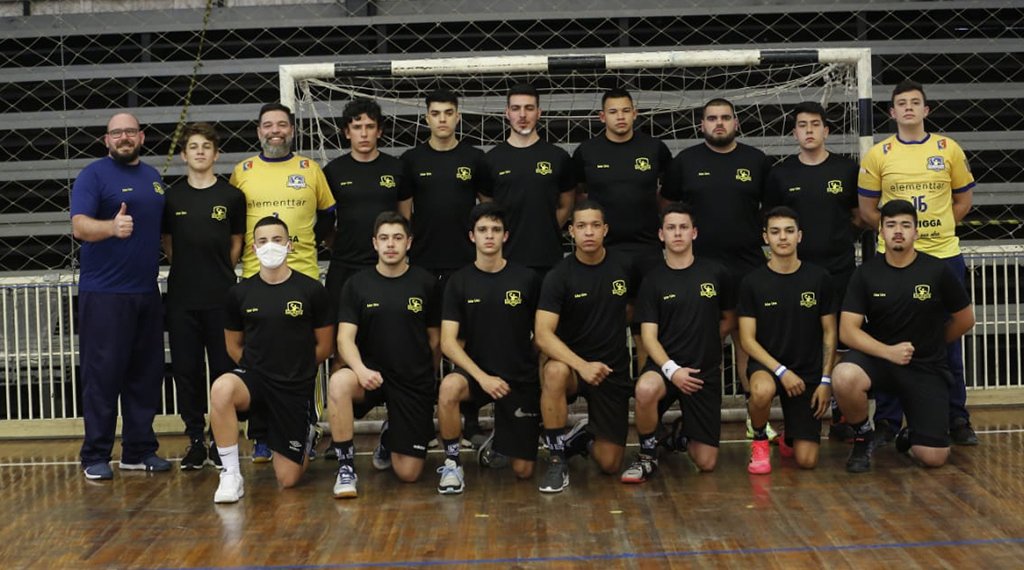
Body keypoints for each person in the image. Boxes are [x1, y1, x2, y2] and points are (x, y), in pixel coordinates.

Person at [858, 80, 979, 446]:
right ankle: (889, 420)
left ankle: (956, 417)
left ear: (926, 110)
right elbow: (867, 210)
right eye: (901, 103)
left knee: (948, 342)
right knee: (889, 338)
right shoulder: (879, 153)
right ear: (892, 112)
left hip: (942, 256)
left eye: (915, 102)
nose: (908, 108)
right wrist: (899, 237)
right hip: (893, 261)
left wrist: (932, 231)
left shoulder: (949, 149)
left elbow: (963, 201)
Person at [833, 199, 975, 473]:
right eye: (891, 225)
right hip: (879, 361)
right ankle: (862, 437)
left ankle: (912, 435)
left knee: (934, 458)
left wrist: (932, 343)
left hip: (925, 365)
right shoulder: (865, 274)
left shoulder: (937, 270)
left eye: (905, 225)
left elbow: (965, 319)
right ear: (881, 232)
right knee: (844, 376)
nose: (898, 231)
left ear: (916, 232)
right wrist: (888, 352)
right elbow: (847, 331)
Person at [662, 98, 774, 441]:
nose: (719, 123)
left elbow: (769, 211)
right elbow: (669, 207)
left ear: (736, 123)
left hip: (747, 266)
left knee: (747, 344)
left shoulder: (756, 161)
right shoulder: (686, 161)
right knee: (705, 344)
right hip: (700, 270)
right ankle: (691, 420)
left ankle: (756, 421)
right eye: (712, 118)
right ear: (701, 125)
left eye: (725, 118)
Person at [229, 103, 335, 461]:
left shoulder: (310, 169)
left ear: (292, 129)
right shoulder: (242, 171)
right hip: (257, 278)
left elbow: (328, 215)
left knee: (303, 359)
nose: (275, 131)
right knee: (261, 359)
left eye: (282, 125)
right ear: (258, 131)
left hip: (302, 274)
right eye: (268, 125)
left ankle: (305, 425)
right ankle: (263, 433)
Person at [70, 112, 171, 480]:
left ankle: (138, 450)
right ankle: (95, 454)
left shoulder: (153, 178)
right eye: (117, 133)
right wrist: (111, 226)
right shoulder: (92, 175)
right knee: (103, 376)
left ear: (142, 137)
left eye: (130, 131)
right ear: (106, 140)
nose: (124, 137)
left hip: (146, 292)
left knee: (145, 375)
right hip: (106, 295)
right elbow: (80, 225)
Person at [209, 216, 334, 503]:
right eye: (263, 241)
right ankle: (230, 474)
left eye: (277, 240)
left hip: (293, 386)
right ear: (253, 248)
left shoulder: (312, 290)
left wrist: (294, 369)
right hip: (256, 382)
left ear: (290, 246)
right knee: (222, 388)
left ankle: (306, 435)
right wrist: (259, 368)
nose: (270, 246)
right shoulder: (239, 293)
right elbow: (233, 346)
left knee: (287, 480)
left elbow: (324, 347)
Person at [764, 101, 860, 441]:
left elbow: (859, 215)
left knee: (843, 337)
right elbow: (774, 220)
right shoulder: (781, 173)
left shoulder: (847, 169)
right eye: (802, 125)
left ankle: (842, 412)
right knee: (807, 338)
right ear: (794, 133)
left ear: (826, 130)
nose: (808, 130)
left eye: (815, 124)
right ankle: (802, 409)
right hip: (798, 273)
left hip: (840, 269)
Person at [326, 212, 441, 499]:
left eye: (398, 238)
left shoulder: (426, 283)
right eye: (385, 238)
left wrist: (425, 380)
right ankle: (346, 467)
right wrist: (360, 370)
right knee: (339, 382)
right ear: (375, 243)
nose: (391, 244)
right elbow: (344, 339)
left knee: (409, 474)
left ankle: (392, 436)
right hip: (369, 377)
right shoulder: (356, 284)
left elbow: (435, 340)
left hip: (411, 382)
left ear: (409, 243)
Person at [434, 203, 543, 494]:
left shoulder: (527, 279)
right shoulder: (458, 282)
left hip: (518, 378)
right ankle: (453, 463)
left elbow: (542, 333)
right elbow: (447, 342)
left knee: (523, 472)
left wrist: (526, 363)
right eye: (483, 230)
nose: (489, 236)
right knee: (448, 387)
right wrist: (482, 377)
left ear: (506, 236)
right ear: (472, 236)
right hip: (477, 377)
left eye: (496, 230)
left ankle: (501, 438)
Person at [623, 202, 735, 483]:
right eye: (671, 228)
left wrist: (707, 343)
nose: (677, 234)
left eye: (683, 227)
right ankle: (648, 455)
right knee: (645, 389)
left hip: (702, 374)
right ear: (661, 235)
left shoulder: (716, 273)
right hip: (666, 368)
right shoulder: (653, 280)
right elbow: (648, 337)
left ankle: (677, 435)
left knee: (706, 463)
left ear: (694, 233)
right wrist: (673, 370)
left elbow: (729, 319)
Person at [401, 89, 489, 446]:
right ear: (426, 119)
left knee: (465, 343)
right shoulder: (410, 160)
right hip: (423, 266)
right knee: (427, 345)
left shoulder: (475, 159)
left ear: (457, 117)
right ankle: (424, 422)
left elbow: (487, 212)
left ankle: (467, 421)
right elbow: (404, 216)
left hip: (464, 267)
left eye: (448, 113)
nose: (442, 119)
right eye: (435, 113)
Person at [162, 122, 245, 470]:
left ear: (216, 153)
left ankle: (222, 440)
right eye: (193, 146)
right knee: (187, 370)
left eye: (206, 146)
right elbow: (167, 244)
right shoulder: (171, 197)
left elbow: (236, 244)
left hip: (222, 297)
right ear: (183, 155)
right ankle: (196, 438)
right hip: (183, 298)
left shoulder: (231, 196)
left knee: (224, 371)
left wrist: (217, 272)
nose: (199, 152)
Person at [534, 200, 632, 493]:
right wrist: (582, 365)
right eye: (581, 226)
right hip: (575, 369)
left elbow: (634, 311)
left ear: (605, 230)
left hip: (611, 370)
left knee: (610, 464)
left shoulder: (625, 267)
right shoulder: (558, 276)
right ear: (571, 232)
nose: (588, 232)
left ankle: (579, 439)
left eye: (595, 225)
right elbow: (542, 335)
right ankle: (556, 459)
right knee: (554, 372)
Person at [573, 87, 673, 371]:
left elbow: (666, 197)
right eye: (613, 112)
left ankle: (645, 385)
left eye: (626, 111)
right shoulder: (586, 152)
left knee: (647, 323)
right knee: (608, 320)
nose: (620, 117)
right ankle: (611, 388)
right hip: (606, 252)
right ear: (602, 116)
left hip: (647, 250)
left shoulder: (654, 149)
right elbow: (579, 199)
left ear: (635, 113)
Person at [738, 207, 837, 474]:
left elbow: (829, 332)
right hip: (768, 367)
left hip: (806, 373)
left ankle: (788, 436)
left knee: (806, 461)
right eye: (775, 232)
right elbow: (747, 340)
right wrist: (782, 371)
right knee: (761, 391)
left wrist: (826, 380)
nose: (783, 237)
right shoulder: (752, 282)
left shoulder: (819, 278)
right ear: (765, 237)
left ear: (800, 236)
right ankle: (759, 439)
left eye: (789, 231)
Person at [323, 98, 411, 313]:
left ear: (379, 132)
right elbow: (326, 222)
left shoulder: (397, 168)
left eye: (370, 127)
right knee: (342, 332)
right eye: (357, 127)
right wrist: (343, 245)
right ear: (346, 132)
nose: (364, 134)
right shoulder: (333, 171)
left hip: (386, 265)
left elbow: (405, 218)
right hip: (344, 265)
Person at [480, 83, 576, 275]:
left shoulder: (558, 157)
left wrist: (545, 227)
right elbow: (488, 204)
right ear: (507, 113)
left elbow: (566, 204)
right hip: (505, 260)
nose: (522, 115)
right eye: (516, 108)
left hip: (548, 258)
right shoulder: (490, 160)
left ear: (539, 113)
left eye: (529, 108)